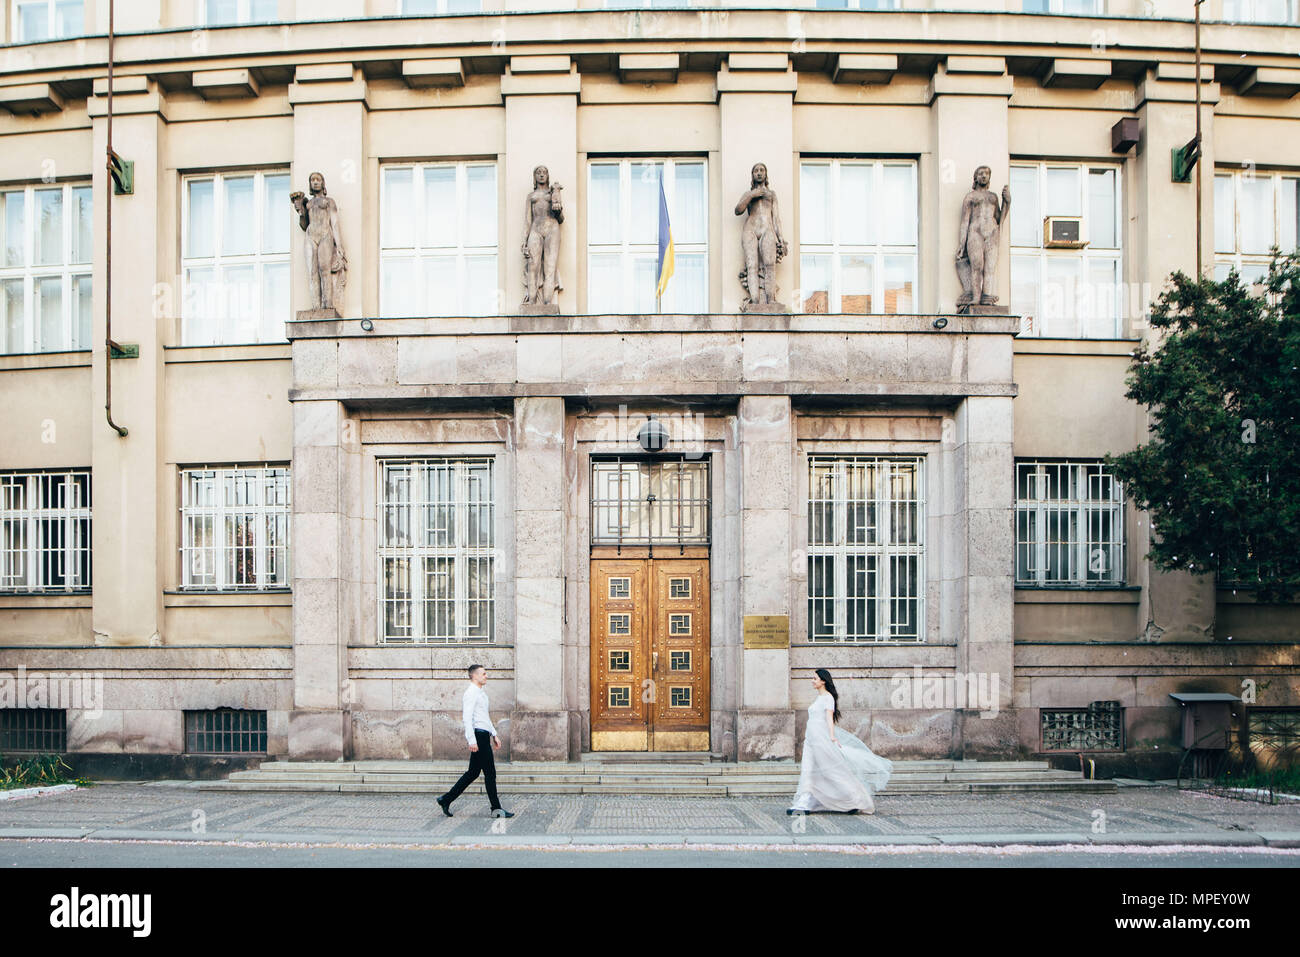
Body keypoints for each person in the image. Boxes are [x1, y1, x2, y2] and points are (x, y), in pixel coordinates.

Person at [788, 668, 892, 814]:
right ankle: (806, 800)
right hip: (810, 739)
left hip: (820, 738)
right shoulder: (819, 698)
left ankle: (856, 800)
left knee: (832, 770)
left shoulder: (828, 698)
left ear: (823, 681)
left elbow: (829, 719)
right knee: (808, 768)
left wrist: (831, 737)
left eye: (815, 678)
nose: (812, 681)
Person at [436, 664, 513, 818]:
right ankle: (496, 809)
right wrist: (471, 740)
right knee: (490, 773)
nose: (486, 676)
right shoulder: (471, 693)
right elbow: (467, 718)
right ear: (475, 676)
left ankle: (446, 799)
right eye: (484, 674)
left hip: (483, 735)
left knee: (473, 773)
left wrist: (494, 734)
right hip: (478, 737)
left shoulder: (481, 693)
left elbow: (484, 716)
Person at [734, 162, 787, 308]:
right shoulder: (748, 194)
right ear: (752, 175)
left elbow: (776, 218)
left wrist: (781, 238)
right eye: (756, 171)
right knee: (752, 266)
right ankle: (755, 302)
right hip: (750, 230)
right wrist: (752, 195)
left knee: (770, 265)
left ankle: (771, 300)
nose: (759, 173)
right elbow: (738, 210)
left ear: (765, 174)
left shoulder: (771, 194)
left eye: (761, 170)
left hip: (767, 229)